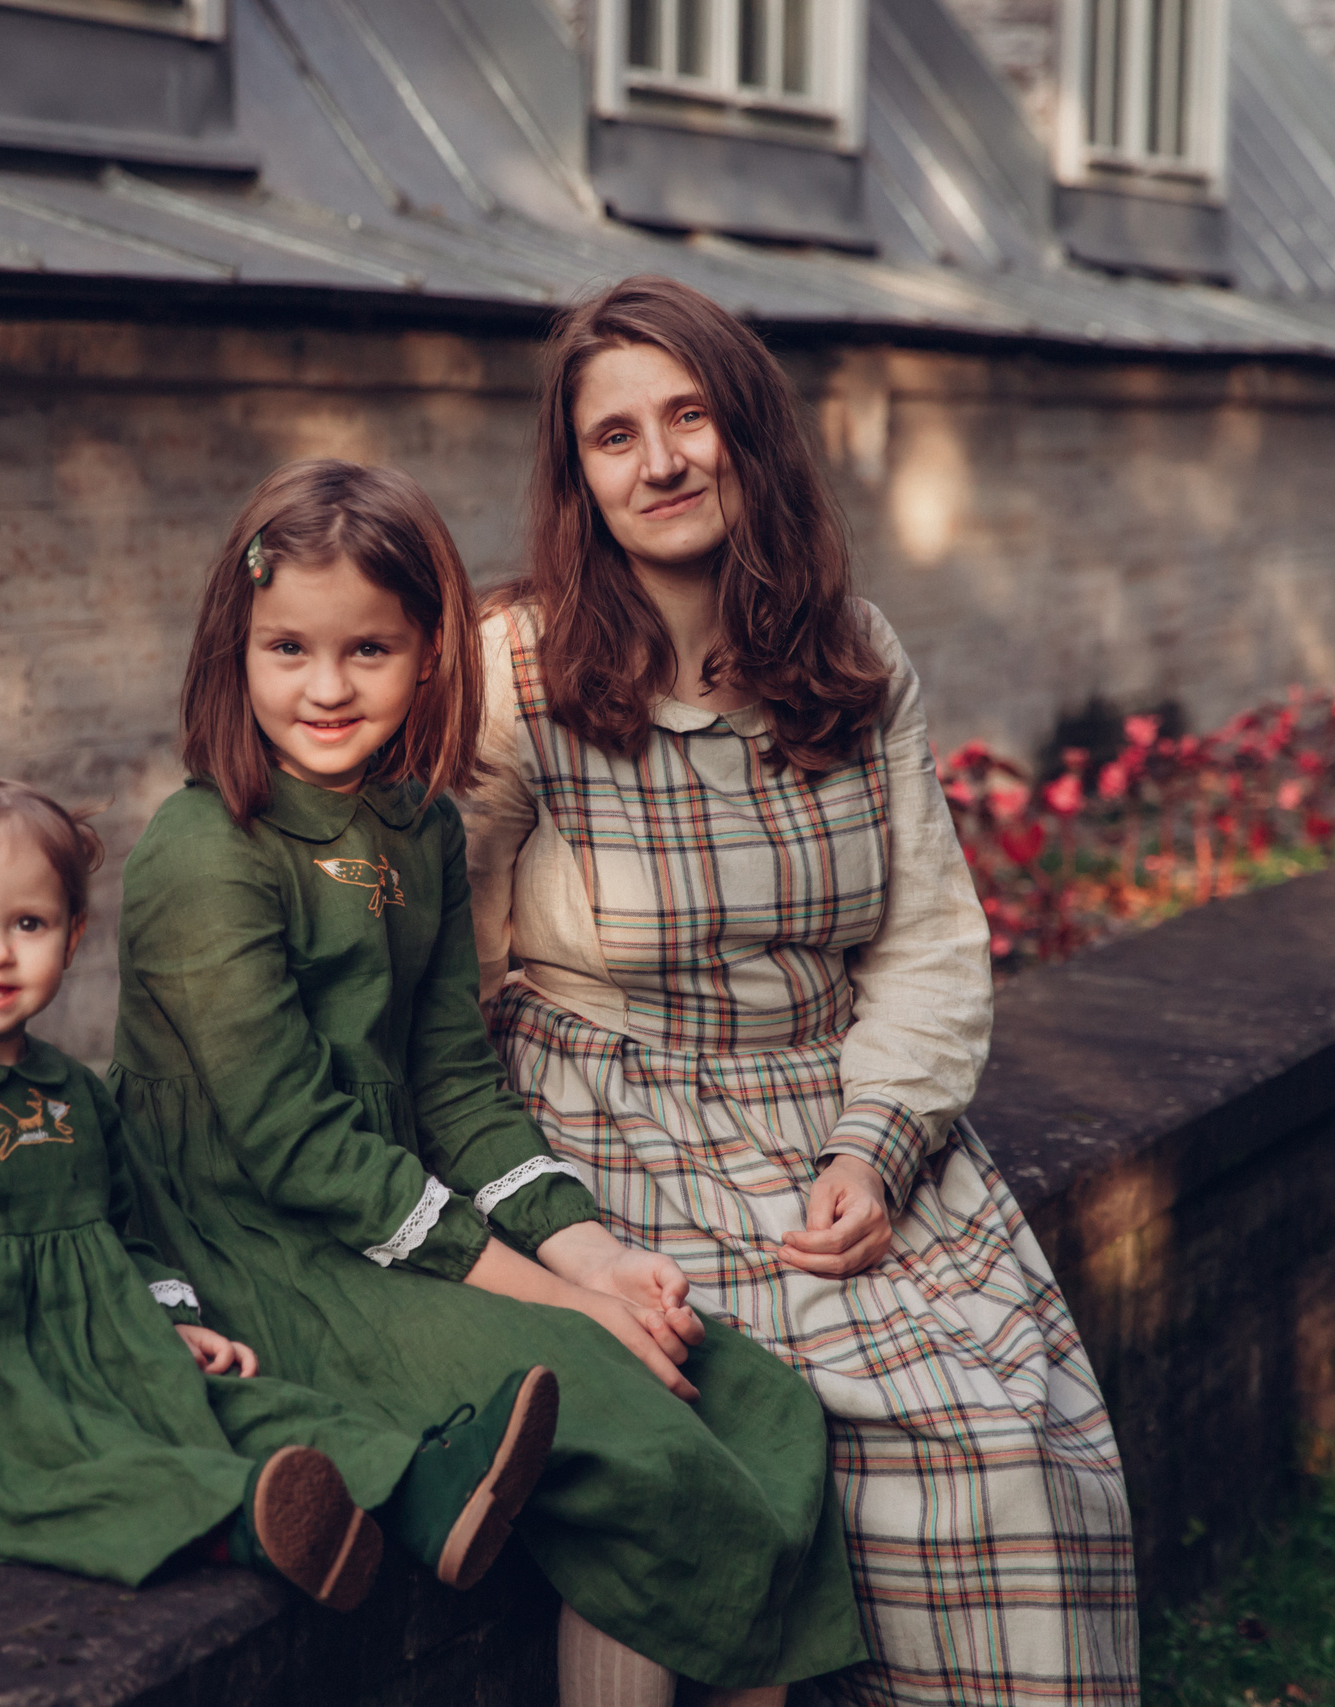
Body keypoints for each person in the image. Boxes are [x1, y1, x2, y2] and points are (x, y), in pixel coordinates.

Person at [461, 276, 1140, 1707]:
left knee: (1012, 1439)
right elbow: (434, 966)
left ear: (748, 431)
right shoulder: (516, 667)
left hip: (831, 1107)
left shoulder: (852, 652)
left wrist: (876, 1141)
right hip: (616, 1115)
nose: (658, 462)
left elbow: (931, 939)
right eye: (614, 435)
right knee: (746, 1428)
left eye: (689, 416)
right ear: (577, 475)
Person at [111, 458, 869, 1706]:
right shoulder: (204, 858)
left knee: (757, 1401)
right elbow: (297, 1152)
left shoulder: (414, 825)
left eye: (370, 649)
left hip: (390, 1224)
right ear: (231, 651)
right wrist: (552, 1305)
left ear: (429, 657)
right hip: (266, 1249)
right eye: (287, 648)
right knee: (618, 1422)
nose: (325, 686)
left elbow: (455, 1082)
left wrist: (590, 1260)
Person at [0, 774, 556, 1608]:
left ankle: (426, 1488)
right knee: (68, 1462)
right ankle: (250, 1526)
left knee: (231, 1401)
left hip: (81, 1349)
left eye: (27, 923)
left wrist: (174, 1319)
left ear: (74, 937)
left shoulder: (75, 1093)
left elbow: (125, 1228)